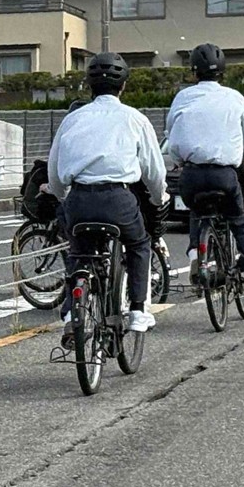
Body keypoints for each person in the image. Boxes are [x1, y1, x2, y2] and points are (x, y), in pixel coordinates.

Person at [47, 53, 167, 350]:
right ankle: (138, 310)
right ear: (123, 85)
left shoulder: (72, 119)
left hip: (79, 198)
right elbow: (153, 171)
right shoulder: (135, 119)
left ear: (89, 85)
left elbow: (55, 170)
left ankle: (71, 315)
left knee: (79, 254)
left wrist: (63, 196)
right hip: (118, 199)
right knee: (139, 244)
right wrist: (158, 197)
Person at [167, 43, 244, 295]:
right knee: (238, 217)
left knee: (197, 211)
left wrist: (180, 159)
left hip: (191, 174)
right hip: (224, 175)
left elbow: (172, 133)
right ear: (222, 71)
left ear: (194, 72)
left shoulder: (182, 98)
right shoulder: (233, 97)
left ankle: (196, 254)